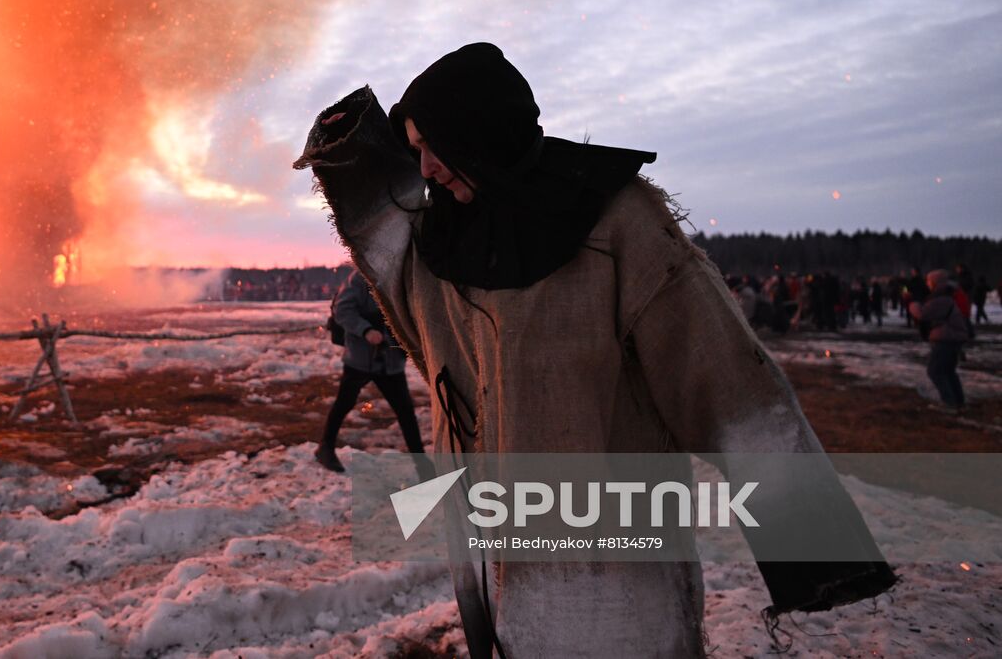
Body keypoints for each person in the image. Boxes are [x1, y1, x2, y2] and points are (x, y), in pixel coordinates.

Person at [294, 43, 894, 658]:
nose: (424, 169)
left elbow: (724, 375)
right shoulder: (448, 232)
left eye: (432, 145)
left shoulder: (614, 222)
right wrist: (354, 154)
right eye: (411, 147)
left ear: (479, 132)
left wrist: (812, 540)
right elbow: (392, 247)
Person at [316, 269, 425, 472]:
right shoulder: (359, 278)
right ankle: (325, 448)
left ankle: (421, 463)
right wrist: (366, 330)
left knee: (405, 411)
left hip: (390, 360)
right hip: (361, 359)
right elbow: (343, 310)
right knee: (344, 403)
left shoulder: (397, 278)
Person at [909, 269, 970, 412]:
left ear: (936, 283)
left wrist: (913, 305)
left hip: (946, 339)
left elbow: (922, 314)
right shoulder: (945, 297)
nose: (928, 284)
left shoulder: (941, 299)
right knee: (948, 371)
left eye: (929, 281)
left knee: (935, 371)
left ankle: (949, 403)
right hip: (952, 338)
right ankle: (958, 401)